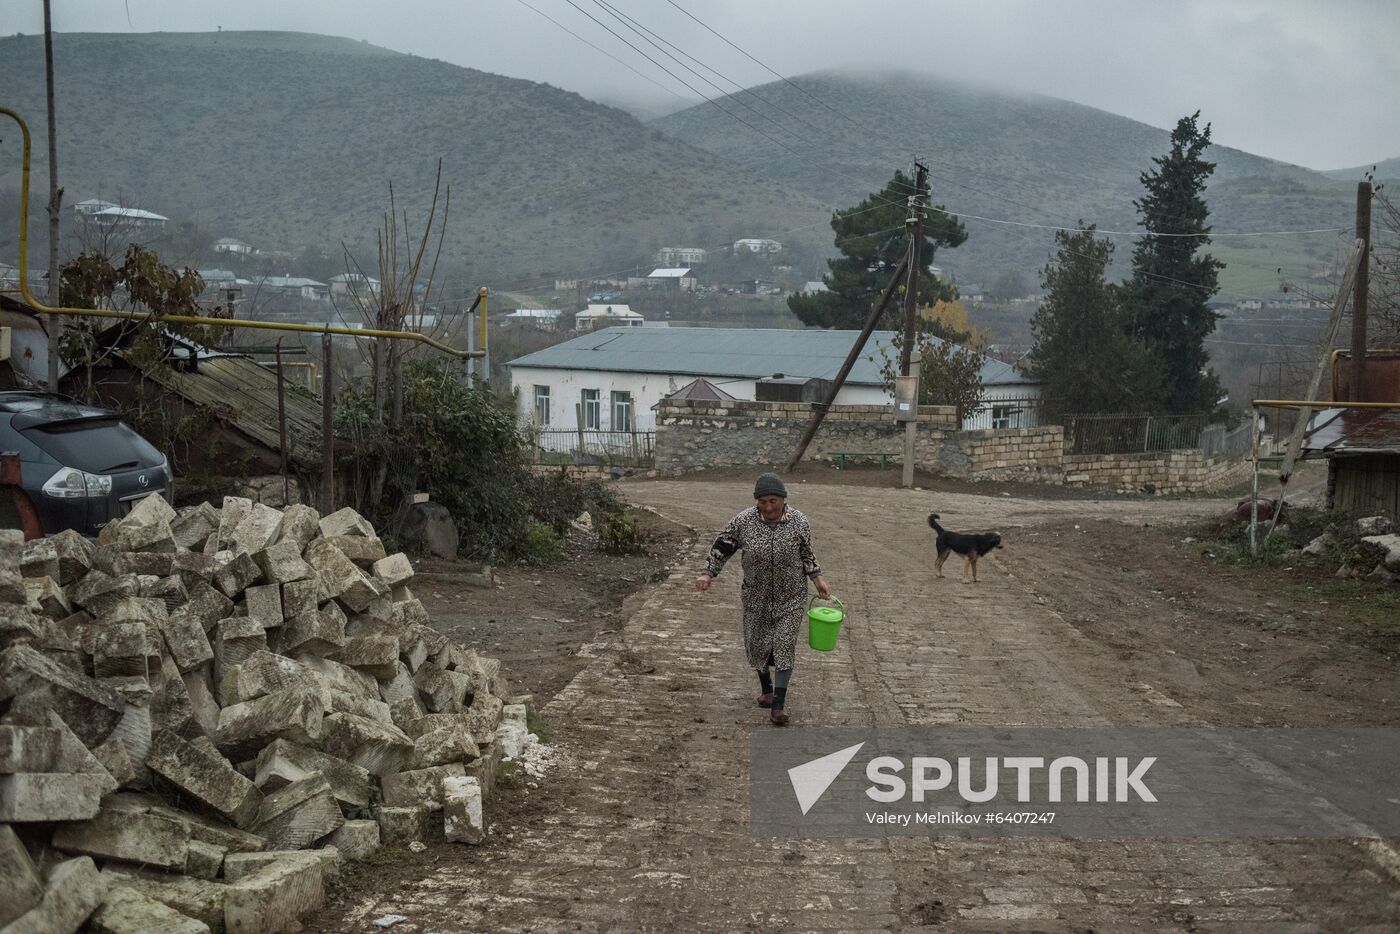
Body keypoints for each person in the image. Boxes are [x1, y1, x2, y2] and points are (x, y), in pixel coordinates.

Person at [694, 472, 831, 725]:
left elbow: (806, 553)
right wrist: (708, 573)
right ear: (757, 502)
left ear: (783, 500)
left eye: (773, 501)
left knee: (784, 644)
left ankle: (778, 705)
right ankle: (766, 690)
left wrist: (817, 578)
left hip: (791, 595)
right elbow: (723, 546)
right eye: (763, 502)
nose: (768, 507)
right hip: (755, 595)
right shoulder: (743, 521)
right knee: (757, 644)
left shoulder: (799, 522)